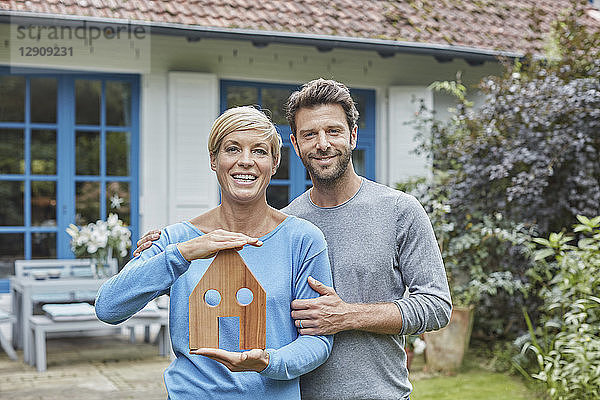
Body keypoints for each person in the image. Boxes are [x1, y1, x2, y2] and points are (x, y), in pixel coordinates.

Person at [134, 79, 452, 400]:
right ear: (295, 144)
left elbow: (437, 306)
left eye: (334, 131)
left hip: (378, 393)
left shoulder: (399, 210)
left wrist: (348, 316)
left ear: (353, 136)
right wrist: (171, 245)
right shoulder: (287, 226)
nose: (322, 143)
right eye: (310, 134)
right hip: (297, 392)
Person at [96, 106, 334, 400]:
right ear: (213, 159)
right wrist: (183, 253)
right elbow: (108, 307)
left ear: (274, 163)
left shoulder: (302, 240)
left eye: (259, 151)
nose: (245, 161)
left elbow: (319, 341)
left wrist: (269, 362)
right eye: (232, 149)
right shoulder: (177, 239)